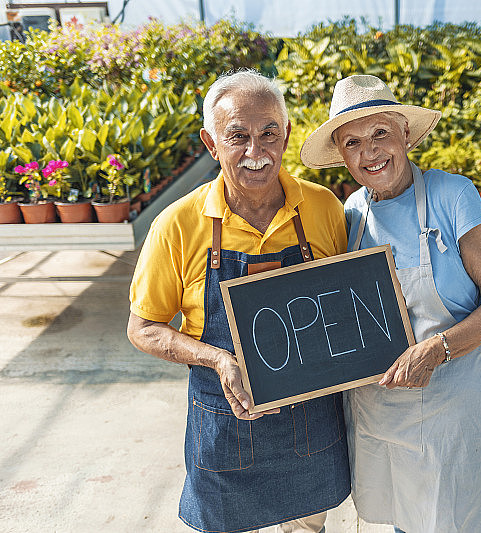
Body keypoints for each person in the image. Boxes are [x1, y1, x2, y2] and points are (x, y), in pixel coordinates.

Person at [127, 69, 350, 533]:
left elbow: (348, 306)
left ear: (286, 134)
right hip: (223, 422)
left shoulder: (324, 208)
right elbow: (143, 328)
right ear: (211, 144)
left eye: (268, 133)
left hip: (310, 422)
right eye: (237, 136)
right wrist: (218, 359)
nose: (256, 151)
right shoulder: (177, 225)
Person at [300, 75, 481, 533]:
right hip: (378, 411)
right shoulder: (351, 213)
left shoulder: (452, 196)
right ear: (341, 155)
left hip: (451, 406)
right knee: (401, 521)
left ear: (405, 132)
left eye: (380, 133)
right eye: (352, 142)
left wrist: (436, 349)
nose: (370, 152)